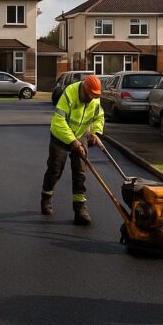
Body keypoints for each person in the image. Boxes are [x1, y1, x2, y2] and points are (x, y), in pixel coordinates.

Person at [41, 74, 104, 225]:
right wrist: (73, 142)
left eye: (94, 96)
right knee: (55, 169)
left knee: (80, 173)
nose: (91, 99)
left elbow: (99, 117)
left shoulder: (94, 98)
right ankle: (46, 197)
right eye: (89, 96)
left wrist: (95, 133)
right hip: (61, 135)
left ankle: (80, 209)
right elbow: (59, 121)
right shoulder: (70, 93)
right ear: (84, 88)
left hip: (80, 135)